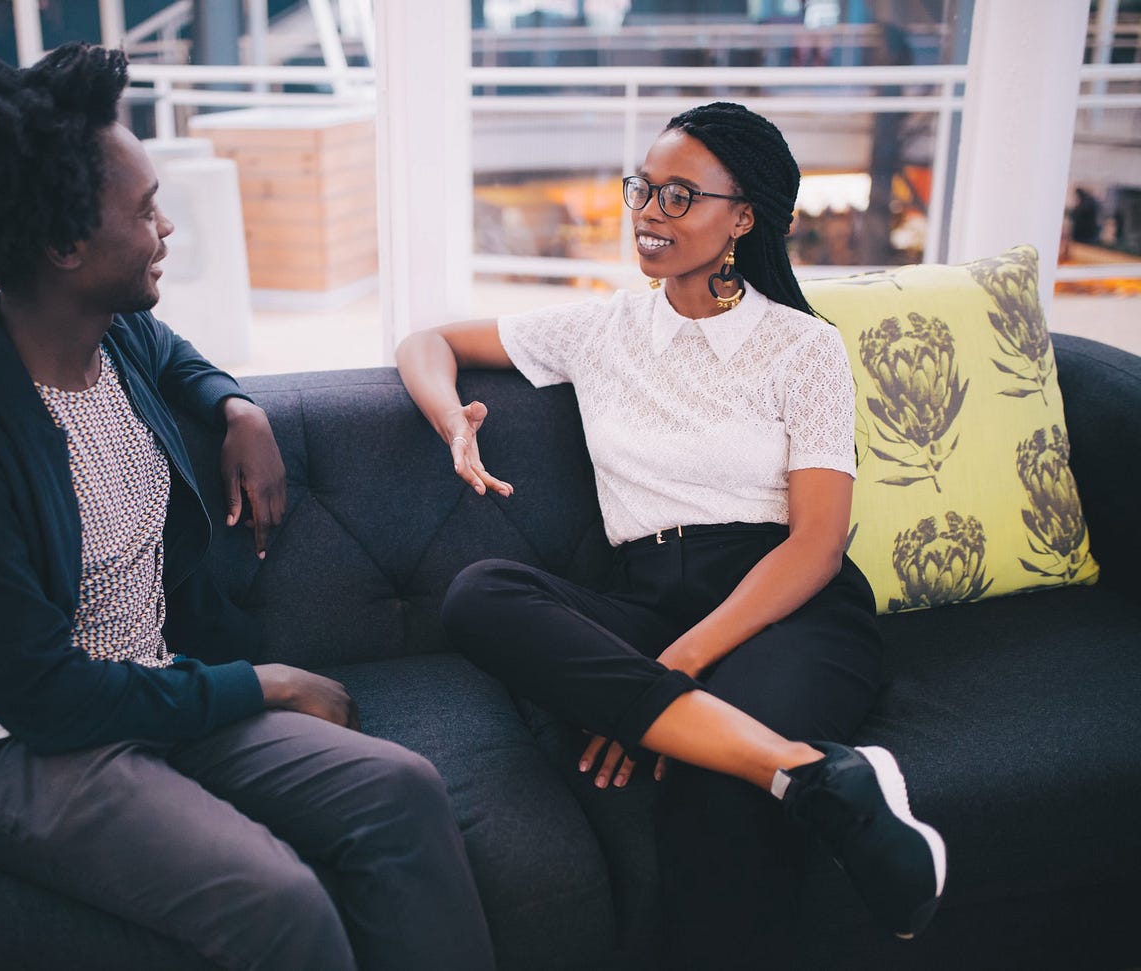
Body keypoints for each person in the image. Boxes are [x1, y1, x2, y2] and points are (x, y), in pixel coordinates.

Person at [0, 43, 494, 971]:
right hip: (12, 741)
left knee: (401, 792)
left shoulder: (117, 334)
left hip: (154, 686)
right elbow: (42, 693)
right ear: (64, 246)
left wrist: (238, 406)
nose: (165, 228)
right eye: (144, 210)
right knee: (277, 898)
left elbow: (179, 359)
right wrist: (271, 682)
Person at [396, 101, 946, 965]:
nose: (651, 212)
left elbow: (816, 545)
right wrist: (450, 422)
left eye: (681, 194)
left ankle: (756, 762)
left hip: (787, 609)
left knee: (712, 793)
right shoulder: (600, 327)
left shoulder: (805, 349)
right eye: (644, 188)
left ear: (745, 216)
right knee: (481, 594)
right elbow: (425, 338)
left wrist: (669, 671)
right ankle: (814, 773)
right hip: (645, 598)